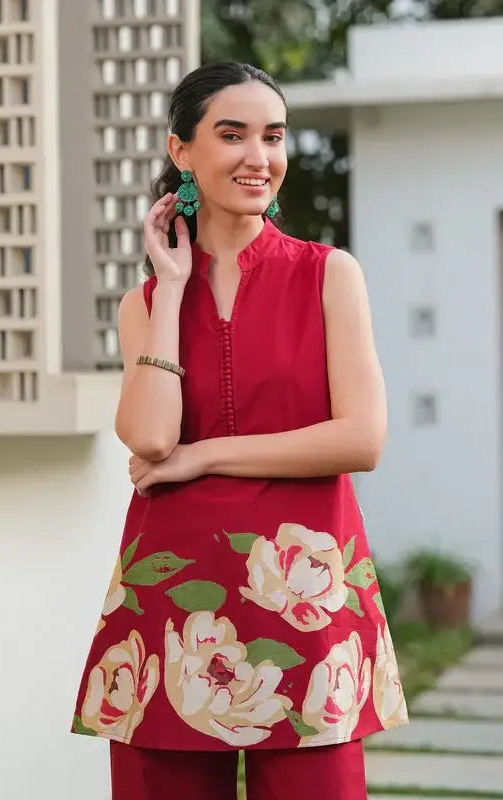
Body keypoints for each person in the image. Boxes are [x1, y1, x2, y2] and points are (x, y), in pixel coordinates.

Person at [71, 61, 408, 800]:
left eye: (273, 136)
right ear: (182, 151)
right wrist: (172, 288)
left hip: (306, 598)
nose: (259, 157)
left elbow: (362, 439)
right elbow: (150, 438)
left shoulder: (328, 275)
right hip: (172, 603)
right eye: (233, 135)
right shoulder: (146, 302)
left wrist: (205, 456)